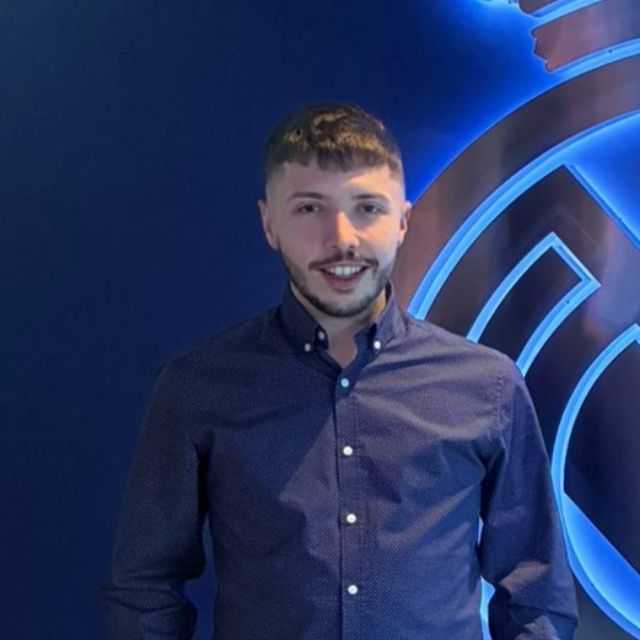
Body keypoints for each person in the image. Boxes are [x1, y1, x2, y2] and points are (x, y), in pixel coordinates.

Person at [99, 103, 579, 639]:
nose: (342, 238)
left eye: (367, 208)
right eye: (310, 209)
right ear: (269, 223)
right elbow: (144, 591)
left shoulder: (488, 386)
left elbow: (537, 595)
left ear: (402, 222)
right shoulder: (197, 388)